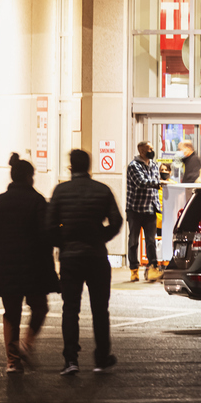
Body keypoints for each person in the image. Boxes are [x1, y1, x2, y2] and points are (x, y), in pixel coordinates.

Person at [47, 148, 123, 376]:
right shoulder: (102, 190)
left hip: (70, 258)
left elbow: (48, 226)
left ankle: (71, 359)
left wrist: (64, 243)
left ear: (71, 166)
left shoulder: (60, 191)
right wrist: (102, 237)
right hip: (97, 257)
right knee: (100, 309)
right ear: (89, 166)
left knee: (70, 309)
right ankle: (101, 357)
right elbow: (117, 220)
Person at [0, 153, 59, 373]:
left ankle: (12, 361)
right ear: (28, 177)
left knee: (11, 313)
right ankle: (27, 343)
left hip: (5, 266)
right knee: (40, 307)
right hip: (33, 267)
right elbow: (46, 237)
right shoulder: (37, 201)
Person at [126, 141, 162, 283]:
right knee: (133, 240)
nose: (152, 151)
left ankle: (152, 267)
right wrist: (158, 183)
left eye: (152, 149)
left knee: (151, 240)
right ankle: (134, 270)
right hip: (135, 208)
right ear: (141, 151)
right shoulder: (133, 166)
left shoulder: (154, 165)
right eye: (149, 149)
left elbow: (155, 182)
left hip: (150, 208)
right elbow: (141, 182)